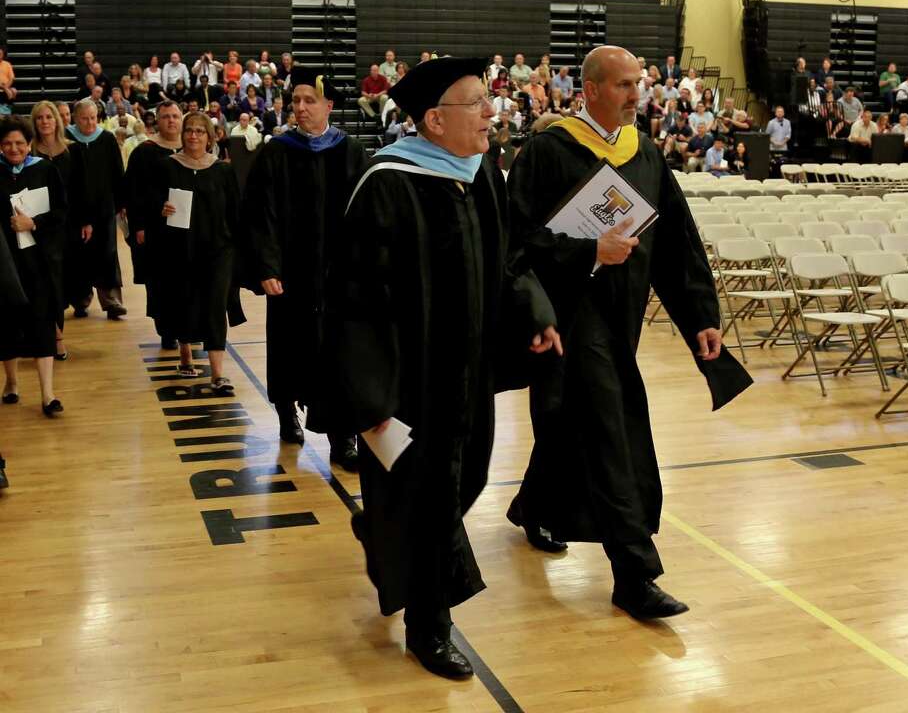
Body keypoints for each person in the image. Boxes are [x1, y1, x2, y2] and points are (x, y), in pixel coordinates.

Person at [312, 56, 560, 680]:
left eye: (488, 100)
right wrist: (370, 404)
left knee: (464, 482)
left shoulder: (480, 175)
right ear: (432, 120)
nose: (489, 113)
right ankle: (431, 626)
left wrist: (533, 311)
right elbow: (355, 303)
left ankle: (380, 532)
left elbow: (510, 258)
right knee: (430, 503)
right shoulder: (389, 185)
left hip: (468, 375)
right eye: (475, 103)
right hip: (410, 384)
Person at [505, 45, 751, 621]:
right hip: (567, 316)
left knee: (573, 423)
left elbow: (676, 245)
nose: (635, 94)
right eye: (622, 85)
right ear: (590, 89)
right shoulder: (548, 152)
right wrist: (590, 249)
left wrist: (701, 318)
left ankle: (533, 505)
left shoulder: (644, 156)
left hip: (623, 320)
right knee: (613, 429)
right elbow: (513, 243)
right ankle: (634, 572)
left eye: (637, 83)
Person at [240, 65, 368, 470]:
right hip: (290, 273)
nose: (300, 107)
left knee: (340, 355)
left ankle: (342, 437)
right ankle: (285, 414)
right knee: (289, 347)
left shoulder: (350, 151)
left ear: (329, 105)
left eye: (309, 100)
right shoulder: (278, 151)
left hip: (337, 275)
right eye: (295, 100)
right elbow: (260, 214)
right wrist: (266, 264)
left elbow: (365, 214)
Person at [145, 112, 243, 394]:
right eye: (189, 130)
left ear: (210, 137)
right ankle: (185, 351)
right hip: (178, 247)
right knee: (184, 301)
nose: (194, 136)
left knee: (215, 305)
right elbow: (149, 204)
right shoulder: (167, 167)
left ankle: (217, 373)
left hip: (218, 249)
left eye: (200, 131)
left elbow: (235, 212)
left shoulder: (223, 170)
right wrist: (160, 209)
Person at [1, 115, 67, 418]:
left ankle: (48, 394)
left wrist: (33, 223)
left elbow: (61, 214)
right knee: (7, 325)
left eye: (19, 143)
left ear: (29, 144)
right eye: (7, 144)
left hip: (39, 260)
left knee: (42, 324)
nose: (14, 149)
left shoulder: (46, 170)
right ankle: (12, 382)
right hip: (5, 263)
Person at [126, 100, 184, 349]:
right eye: (165, 117)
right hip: (156, 230)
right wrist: (139, 226)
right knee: (161, 282)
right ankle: (167, 330)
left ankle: (189, 327)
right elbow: (133, 192)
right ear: (156, 121)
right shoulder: (144, 152)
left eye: (175, 116)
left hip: (188, 231)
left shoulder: (194, 148)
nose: (171, 120)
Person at [65, 99, 126, 320]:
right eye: (84, 118)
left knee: (107, 255)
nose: (89, 123)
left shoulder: (107, 139)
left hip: (104, 209)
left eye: (93, 118)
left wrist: (121, 204)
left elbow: (117, 173)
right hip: (76, 209)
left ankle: (112, 302)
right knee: (79, 256)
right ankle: (80, 300)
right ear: (75, 118)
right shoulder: (67, 139)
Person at [30, 101, 73, 359]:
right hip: (38, 226)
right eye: (39, 118)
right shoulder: (28, 153)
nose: (45, 121)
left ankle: (57, 333)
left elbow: (81, 191)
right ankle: (54, 336)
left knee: (60, 283)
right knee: (43, 282)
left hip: (66, 227)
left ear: (57, 120)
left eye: (49, 117)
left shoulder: (72, 152)